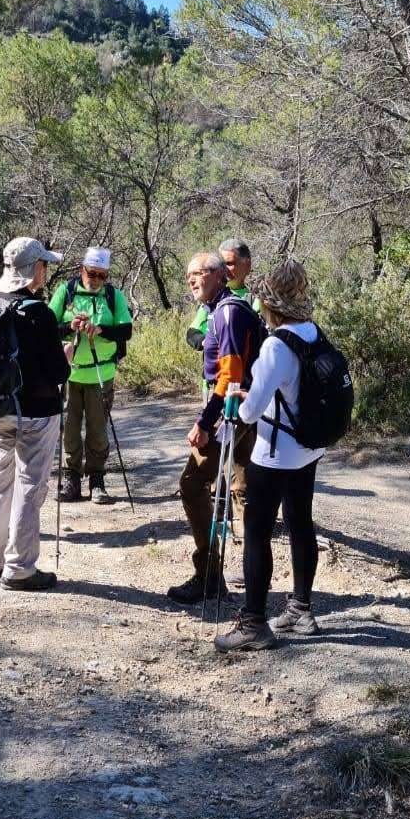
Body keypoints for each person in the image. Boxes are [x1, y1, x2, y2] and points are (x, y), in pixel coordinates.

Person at [216, 260, 327, 651]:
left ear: (270, 304)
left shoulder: (276, 344)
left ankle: (253, 624)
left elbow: (248, 413)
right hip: (308, 448)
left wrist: (240, 398)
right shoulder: (314, 333)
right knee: (301, 524)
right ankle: (301, 608)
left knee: (258, 534)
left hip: (275, 453)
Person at [166, 252, 265, 604]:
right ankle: (253, 580)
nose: (192, 280)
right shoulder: (221, 309)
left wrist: (205, 422)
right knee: (245, 488)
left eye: (199, 273)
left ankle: (210, 576)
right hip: (239, 411)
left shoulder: (227, 313)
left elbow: (231, 373)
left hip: (229, 412)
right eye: (188, 274)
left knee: (192, 483)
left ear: (219, 275)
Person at [0, 237, 72, 592]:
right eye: (44, 264)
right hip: (36, 414)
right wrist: (67, 355)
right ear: (35, 269)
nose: (46, 270)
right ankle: (19, 568)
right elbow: (59, 373)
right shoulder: (39, 313)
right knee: (30, 485)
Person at [49, 246, 133, 505]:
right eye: (91, 273)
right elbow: (48, 327)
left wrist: (101, 330)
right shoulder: (66, 291)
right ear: (81, 270)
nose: (96, 280)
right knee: (70, 430)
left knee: (97, 430)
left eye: (101, 275)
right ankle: (72, 480)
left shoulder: (113, 295)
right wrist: (69, 327)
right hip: (70, 375)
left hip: (101, 374)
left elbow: (126, 331)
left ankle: (97, 481)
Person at [186, 237, 260, 356]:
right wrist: (209, 343)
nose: (224, 269)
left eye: (230, 263)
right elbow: (193, 333)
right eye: (221, 264)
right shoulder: (211, 299)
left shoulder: (255, 300)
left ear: (247, 264)